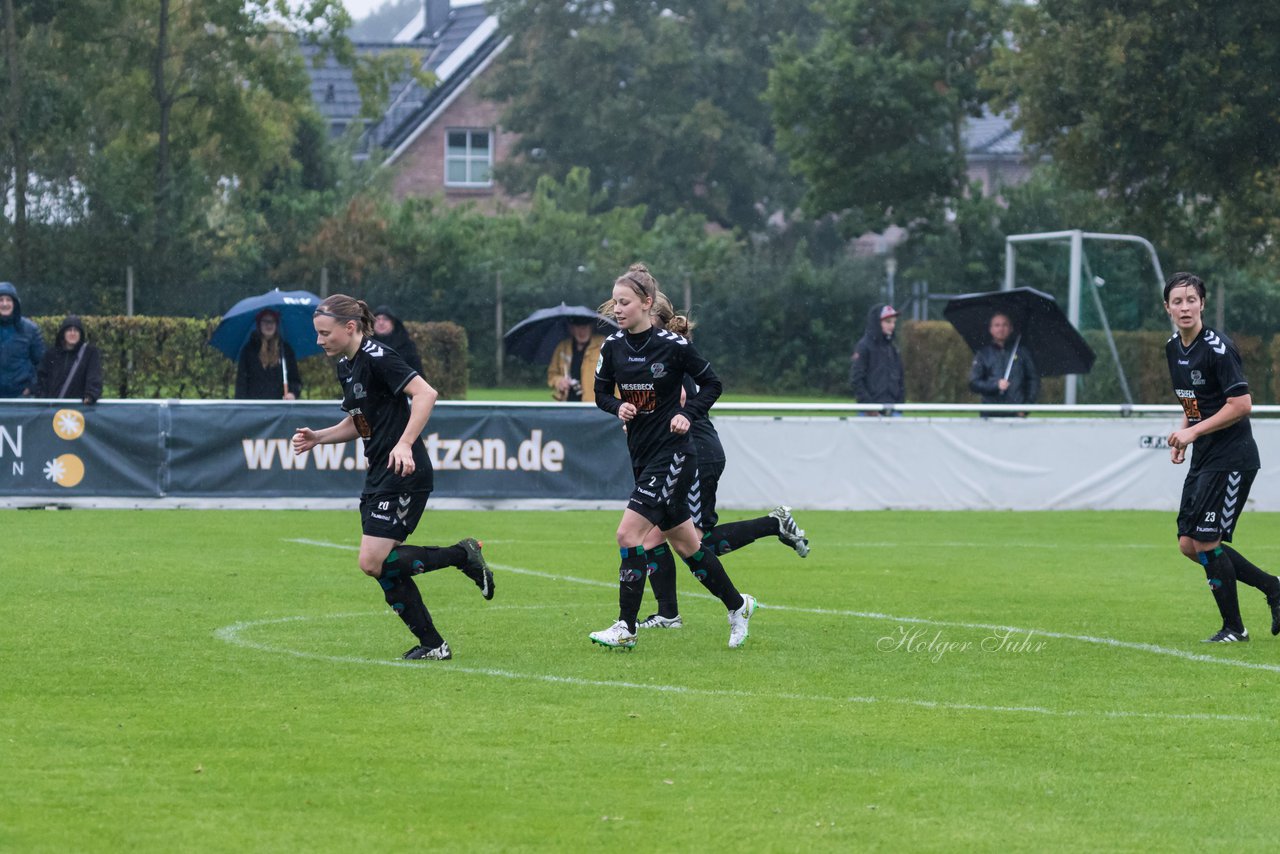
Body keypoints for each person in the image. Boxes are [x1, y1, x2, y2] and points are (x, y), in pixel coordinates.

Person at [291, 294, 494, 660]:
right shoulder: (346, 365)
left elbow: (426, 393)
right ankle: (434, 645)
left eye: (324, 333)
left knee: (372, 562)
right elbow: (360, 420)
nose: (319, 341)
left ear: (349, 327)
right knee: (384, 569)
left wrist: (404, 443)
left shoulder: (377, 357)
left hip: (404, 471)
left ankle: (462, 555)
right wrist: (320, 437)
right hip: (379, 473)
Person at [589, 263, 755, 651]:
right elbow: (600, 394)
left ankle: (625, 626)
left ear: (647, 304)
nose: (617, 309)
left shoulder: (673, 347)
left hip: (675, 457)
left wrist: (687, 414)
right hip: (643, 457)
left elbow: (713, 384)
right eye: (615, 302)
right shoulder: (612, 347)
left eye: (625, 302)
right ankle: (738, 605)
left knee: (627, 534)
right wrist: (617, 408)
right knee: (687, 545)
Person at [636, 293, 810, 631]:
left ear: (654, 320)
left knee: (690, 542)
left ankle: (773, 525)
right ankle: (668, 615)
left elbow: (686, 397)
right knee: (658, 538)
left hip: (697, 455)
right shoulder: (653, 354)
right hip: (680, 454)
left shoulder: (669, 354)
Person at [1163, 272, 1280, 643]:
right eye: (1177, 301)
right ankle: (1273, 587)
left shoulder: (1218, 348)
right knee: (1188, 544)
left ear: (1202, 304)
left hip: (1233, 458)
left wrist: (1192, 432)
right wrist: (1183, 432)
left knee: (1207, 542)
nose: (1185, 307)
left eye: (1191, 300)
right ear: (1167, 307)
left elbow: (1242, 404)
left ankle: (1234, 628)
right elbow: (1191, 399)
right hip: (1204, 457)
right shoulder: (1172, 347)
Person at [968, 311, 1039, 415]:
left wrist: (1026, 406)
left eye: (1005, 325)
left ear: (1011, 329)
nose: (1001, 329)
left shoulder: (1022, 353)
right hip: (990, 413)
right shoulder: (983, 354)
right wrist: (995, 385)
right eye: (997, 325)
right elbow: (974, 383)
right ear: (991, 329)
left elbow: (1033, 381)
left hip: (1016, 413)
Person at [36, 315, 103, 404]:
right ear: (63, 333)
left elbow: (94, 376)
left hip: (78, 411)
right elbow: (42, 379)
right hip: (53, 410)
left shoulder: (90, 353)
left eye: (76, 330)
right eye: (69, 330)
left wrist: (90, 395)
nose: (72, 333)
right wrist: (42, 398)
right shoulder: (51, 354)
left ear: (80, 334)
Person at [236, 309, 301, 400]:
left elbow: (295, 379)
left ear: (276, 324)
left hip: (280, 407)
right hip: (254, 407)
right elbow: (241, 383)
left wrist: (293, 394)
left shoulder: (285, 350)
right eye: (265, 321)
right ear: (259, 324)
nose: (269, 325)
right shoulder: (248, 351)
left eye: (272, 321)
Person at [850, 303, 905, 409]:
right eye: (888, 322)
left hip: (893, 410)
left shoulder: (894, 348)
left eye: (894, 322)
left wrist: (899, 404)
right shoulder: (864, 346)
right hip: (869, 412)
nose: (892, 325)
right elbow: (856, 379)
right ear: (876, 322)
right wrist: (869, 406)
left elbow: (901, 380)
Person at [0, 281, 45, 398]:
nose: (4, 304)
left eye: (8, 300)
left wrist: (30, 388)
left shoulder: (31, 329)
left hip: (21, 399)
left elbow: (42, 364)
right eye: (1, 300)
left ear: (15, 303)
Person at [547, 317, 605, 403]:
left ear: (591, 327)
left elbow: (618, 374)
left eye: (585, 326)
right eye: (578, 327)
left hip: (595, 405)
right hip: (567, 403)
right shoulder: (562, 347)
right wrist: (559, 381)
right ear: (571, 328)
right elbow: (552, 374)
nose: (582, 331)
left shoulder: (605, 344)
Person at [372, 306, 424, 376]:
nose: (381, 323)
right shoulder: (366, 344)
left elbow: (417, 373)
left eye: (385, 319)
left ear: (393, 323)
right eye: (377, 319)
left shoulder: (406, 346)